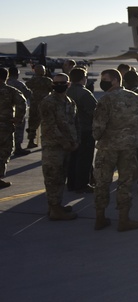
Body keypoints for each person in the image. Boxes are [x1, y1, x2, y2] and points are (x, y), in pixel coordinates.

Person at [92, 68, 138, 231]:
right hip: (128, 146)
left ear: (116, 80)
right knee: (125, 182)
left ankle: (100, 218)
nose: (103, 82)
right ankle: (123, 219)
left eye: (105, 79)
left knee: (102, 182)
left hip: (108, 147)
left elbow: (98, 127)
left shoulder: (105, 99)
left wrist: (100, 136)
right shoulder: (135, 97)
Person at [38, 72, 78, 220]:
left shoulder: (69, 102)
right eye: (56, 83)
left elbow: (72, 123)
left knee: (61, 177)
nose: (59, 86)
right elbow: (50, 126)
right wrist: (64, 142)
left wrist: (74, 141)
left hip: (66, 147)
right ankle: (55, 210)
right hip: (53, 147)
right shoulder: (48, 102)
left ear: (68, 84)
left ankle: (55, 206)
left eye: (62, 83)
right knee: (53, 177)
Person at [66, 66, 97, 193]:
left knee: (72, 158)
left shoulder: (67, 91)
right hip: (84, 129)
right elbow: (94, 111)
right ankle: (82, 184)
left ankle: (72, 183)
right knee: (84, 158)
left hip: (70, 130)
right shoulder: (84, 93)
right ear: (83, 78)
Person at [25, 63, 52, 148]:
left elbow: (26, 88)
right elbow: (52, 89)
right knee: (47, 122)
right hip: (45, 103)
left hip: (34, 104)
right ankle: (45, 141)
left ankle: (31, 141)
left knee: (32, 123)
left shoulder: (31, 81)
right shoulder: (47, 80)